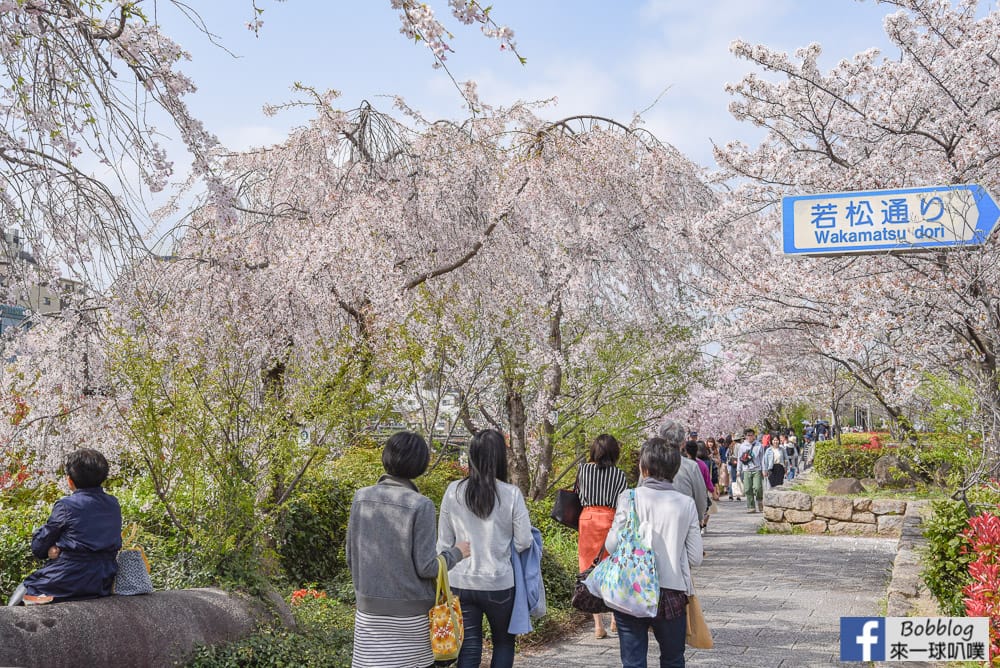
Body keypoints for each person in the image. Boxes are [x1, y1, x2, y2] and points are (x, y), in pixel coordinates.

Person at [346, 431, 471, 668]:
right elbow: (427, 568)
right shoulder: (420, 505)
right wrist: (456, 553)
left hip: (368, 614)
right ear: (420, 465)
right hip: (409, 618)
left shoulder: (360, 498)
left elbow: (351, 558)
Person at [438, 429, 532, 668]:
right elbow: (524, 541)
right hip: (499, 583)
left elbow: (443, 543)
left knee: (469, 647)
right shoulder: (511, 494)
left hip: (460, 581)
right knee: (503, 643)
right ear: (500, 457)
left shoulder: (453, 491)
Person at [606, 437, 703, 668]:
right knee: (672, 659)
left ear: (643, 467)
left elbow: (611, 546)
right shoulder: (685, 503)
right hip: (671, 594)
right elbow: (695, 558)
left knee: (633, 661)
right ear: (675, 468)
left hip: (632, 590)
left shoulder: (629, 498)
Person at [7, 448, 122, 606]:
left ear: (69, 480)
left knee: (28, 586)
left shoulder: (67, 505)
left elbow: (39, 547)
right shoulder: (113, 504)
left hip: (69, 578)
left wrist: (51, 548)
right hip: (103, 579)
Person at [576, 434, 628, 639]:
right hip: (611, 520)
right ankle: (615, 618)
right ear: (615, 453)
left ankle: (598, 625)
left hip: (588, 519)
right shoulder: (619, 475)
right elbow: (623, 502)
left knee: (589, 569)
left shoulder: (583, 470)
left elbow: (579, 496)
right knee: (613, 567)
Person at [658, 420, 708, 525]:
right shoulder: (691, 466)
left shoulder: (649, 465)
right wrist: (698, 518)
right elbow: (700, 497)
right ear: (683, 443)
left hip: (655, 523)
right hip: (684, 521)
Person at [736, 428, 764, 513]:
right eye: (748, 435)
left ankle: (759, 500)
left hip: (757, 469)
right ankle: (751, 506)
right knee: (748, 489)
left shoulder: (759, 445)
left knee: (758, 487)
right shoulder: (742, 446)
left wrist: (764, 469)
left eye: (752, 435)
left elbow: (762, 458)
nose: (750, 437)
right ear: (745, 436)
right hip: (746, 469)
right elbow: (739, 459)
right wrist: (738, 470)